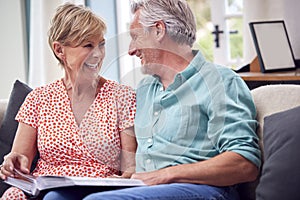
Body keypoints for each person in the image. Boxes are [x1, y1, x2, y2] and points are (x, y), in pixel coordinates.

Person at [43, 0, 261, 199]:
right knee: (57, 198)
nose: (130, 50)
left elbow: (245, 163)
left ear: (158, 30)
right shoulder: (146, 88)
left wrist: (163, 176)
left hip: (202, 190)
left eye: (135, 37)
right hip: (143, 188)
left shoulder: (220, 81)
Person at [0, 3, 136, 200]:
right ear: (59, 50)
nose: (98, 54)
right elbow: (20, 160)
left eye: (102, 44)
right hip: (45, 189)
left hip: (101, 192)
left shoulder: (122, 97)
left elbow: (130, 167)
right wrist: (12, 163)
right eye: (88, 45)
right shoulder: (38, 99)